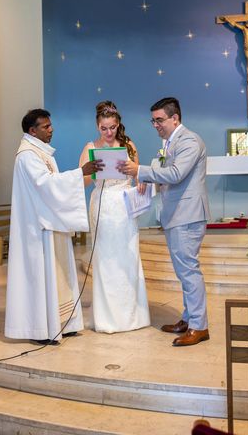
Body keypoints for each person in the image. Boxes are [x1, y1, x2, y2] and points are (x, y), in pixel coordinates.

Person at [117, 97, 210, 347]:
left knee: (189, 271)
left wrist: (140, 171)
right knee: (183, 271)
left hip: (187, 215)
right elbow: (167, 176)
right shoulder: (170, 143)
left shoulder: (189, 140)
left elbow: (176, 174)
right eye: (153, 121)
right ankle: (189, 318)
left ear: (175, 118)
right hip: (177, 213)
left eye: (159, 120)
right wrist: (146, 181)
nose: (155, 125)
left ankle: (199, 326)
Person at [5, 109, 103, 344]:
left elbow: (51, 187)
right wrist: (80, 172)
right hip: (38, 229)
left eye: (50, 125)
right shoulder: (28, 155)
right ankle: (42, 328)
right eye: (46, 126)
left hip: (49, 223)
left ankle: (63, 322)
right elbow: (46, 185)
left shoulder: (41, 153)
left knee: (58, 273)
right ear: (32, 131)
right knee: (43, 275)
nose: (51, 129)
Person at [78, 101, 150, 334]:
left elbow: (139, 174)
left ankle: (132, 316)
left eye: (113, 127)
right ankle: (107, 318)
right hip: (103, 205)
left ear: (118, 124)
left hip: (125, 206)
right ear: (97, 126)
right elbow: (83, 181)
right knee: (106, 259)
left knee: (127, 257)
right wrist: (92, 170)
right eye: (104, 128)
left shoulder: (128, 144)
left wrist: (138, 180)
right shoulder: (91, 146)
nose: (109, 133)